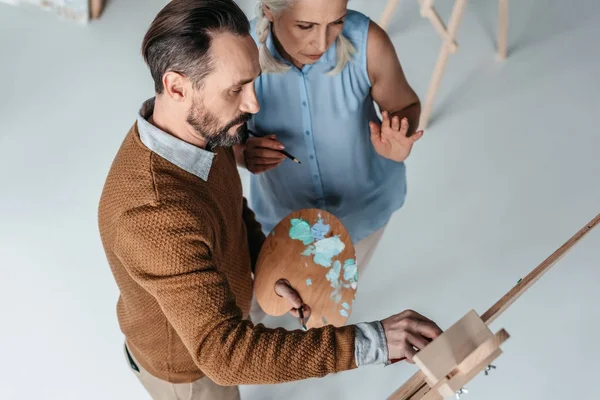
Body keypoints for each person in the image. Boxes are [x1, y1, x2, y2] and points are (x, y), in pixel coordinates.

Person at [98, 1, 442, 399]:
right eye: (236, 90)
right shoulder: (152, 214)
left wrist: (269, 264)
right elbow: (224, 357)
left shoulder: (202, 132)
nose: (254, 105)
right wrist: (375, 341)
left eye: (252, 82)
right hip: (189, 373)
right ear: (176, 87)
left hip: (220, 321)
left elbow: (231, 208)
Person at [234, 0, 423, 274]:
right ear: (268, 10)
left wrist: (398, 137)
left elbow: (405, 106)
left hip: (363, 212)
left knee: (330, 302)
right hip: (282, 217)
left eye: (336, 22)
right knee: (263, 302)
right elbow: (216, 138)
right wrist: (242, 153)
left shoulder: (368, 41)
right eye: (305, 26)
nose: (322, 44)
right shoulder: (241, 51)